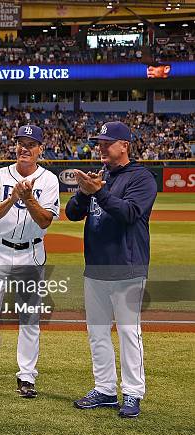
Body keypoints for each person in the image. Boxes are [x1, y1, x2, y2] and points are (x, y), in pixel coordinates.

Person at [67, 122, 157, 418]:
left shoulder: (142, 178)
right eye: (100, 142)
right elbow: (71, 213)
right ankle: (105, 388)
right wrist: (84, 192)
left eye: (108, 142)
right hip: (95, 267)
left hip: (128, 267)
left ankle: (132, 392)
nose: (102, 146)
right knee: (97, 333)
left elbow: (129, 213)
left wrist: (99, 193)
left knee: (129, 332)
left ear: (124, 146)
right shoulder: (100, 176)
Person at [0, 125, 60, 399]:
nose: (24, 148)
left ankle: (27, 378)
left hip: (31, 252)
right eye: (21, 142)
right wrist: (12, 198)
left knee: (29, 317)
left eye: (31, 143)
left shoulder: (49, 180)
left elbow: (45, 220)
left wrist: (28, 198)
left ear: (41, 149)